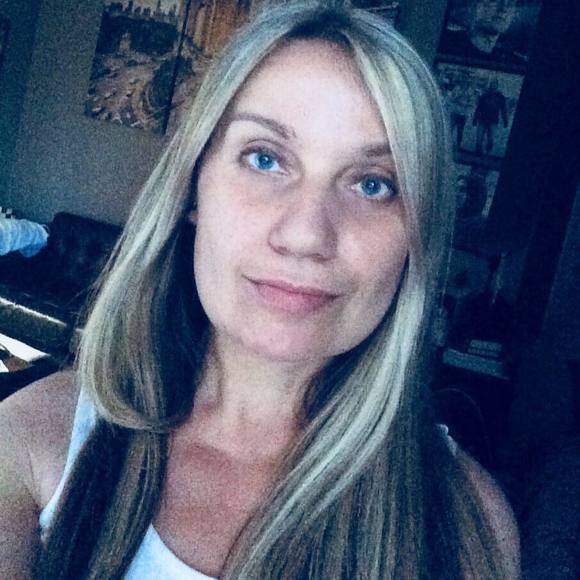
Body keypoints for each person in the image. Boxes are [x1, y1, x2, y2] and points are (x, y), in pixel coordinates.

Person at [0, 2, 519, 578]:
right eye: (265, 158)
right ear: (194, 189)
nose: (306, 235)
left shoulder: (465, 524)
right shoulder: (30, 440)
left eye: (374, 184)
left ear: (415, 239)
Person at [439, 0, 526, 66]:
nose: (504, 9)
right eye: (495, 1)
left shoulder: (516, 62)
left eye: (510, 3)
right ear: (476, 5)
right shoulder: (444, 43)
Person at [473, 78, 509, 155]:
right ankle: (478, 153)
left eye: (494, 84)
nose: (493, 85)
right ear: (490, 85)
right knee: (479, 137)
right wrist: (475, 118)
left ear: (497, 85)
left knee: (491, 138)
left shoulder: (500, 96)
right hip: (483, 118)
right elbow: (479, 107)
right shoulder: (485, 95)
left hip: (493, 120)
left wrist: (505, 120)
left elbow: (503, 109)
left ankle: (488, 153)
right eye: (492, 83)